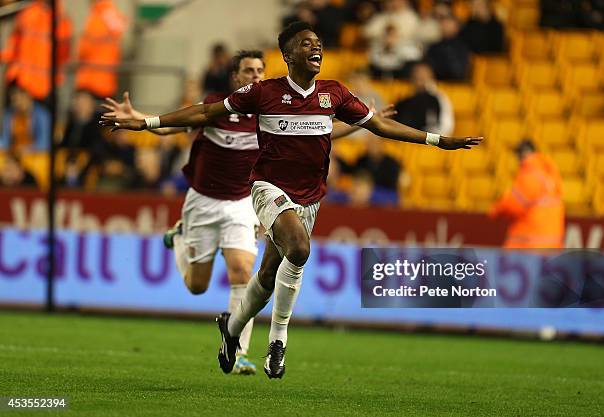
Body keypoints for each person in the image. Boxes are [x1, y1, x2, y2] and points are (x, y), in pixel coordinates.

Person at [101, 22, 482, 380]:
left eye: (318, 44)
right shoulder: (263, 93)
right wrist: (147, 123)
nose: (316, 47)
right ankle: (278, 341)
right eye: (306, 43)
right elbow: (205, 111)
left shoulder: (334, 93)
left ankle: (231, 329)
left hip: (310, 198)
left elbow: (378, 126)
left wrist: (437, 140)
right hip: (266, 188)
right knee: (299, 248)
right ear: (288, 56)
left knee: (267, 275)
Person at [489, 139, 565, 248]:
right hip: (552, 243)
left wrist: (495, 210)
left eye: (519, 156)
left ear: (524, 154)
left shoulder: (530, 175)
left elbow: (513, 205)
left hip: (529, 242)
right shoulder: (550, 173)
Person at [0, 0, 72, 102]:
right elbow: (14, 42)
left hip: (42, 90)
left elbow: (63, 56)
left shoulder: (61, 18)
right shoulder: (28, 10)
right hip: (21, 83)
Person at [75, 0, 128, 99]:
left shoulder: (95, 20)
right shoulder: (115, 17)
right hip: (108, 83)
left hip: (90, 83)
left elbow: (83, 51)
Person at [395, 62, 454, 136]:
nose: (420, 81)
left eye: (423, 77)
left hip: (431, 143)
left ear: (431, 78)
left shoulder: (438, 99)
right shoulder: (404, 101)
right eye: (417, 77)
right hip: (407, 142)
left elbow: (445, 128)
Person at [1, 85, 50, 152]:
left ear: (28, 97)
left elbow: (44, 144)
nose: (17, 104)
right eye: (14, 101)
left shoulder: (42, 115)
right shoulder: (9, 114)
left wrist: (27, 149)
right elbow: (5, 140)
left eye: (19, 100)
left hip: (35, 157)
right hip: (13, 155)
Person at [425, 14, 470, 81]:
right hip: (434, 82)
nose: (444, 26)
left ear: (457, 27)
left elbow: (458, 72)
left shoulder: (462, 47)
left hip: (455, 84)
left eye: (448, 24)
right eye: (443, 24)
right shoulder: (434, 47)